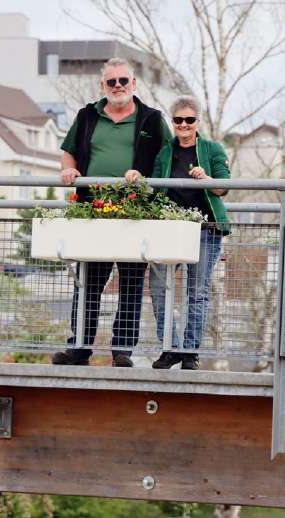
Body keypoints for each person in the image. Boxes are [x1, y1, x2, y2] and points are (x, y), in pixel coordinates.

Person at [52, 57, 172, 368]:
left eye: (123, 81)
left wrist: (148, 181)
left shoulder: (152, 118)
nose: (117, 86)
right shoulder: (87, 115)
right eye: (111, 82)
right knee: (88, 283)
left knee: (131, 285)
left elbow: (168, 158)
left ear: (134, 84)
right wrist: (69, 171)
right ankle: (78, 349)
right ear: (102, 86)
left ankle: (122, 352)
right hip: (93, 210)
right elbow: (68, 153)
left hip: (135, 211)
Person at [149, 95, 230, 370]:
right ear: (173, 123)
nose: (184, 125)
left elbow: (222, 188)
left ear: (197, 122)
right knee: (160, 290)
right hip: (168, 230)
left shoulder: (212, 149)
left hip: (205, 229)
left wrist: (204, 178)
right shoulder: (165, 152)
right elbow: (155, 187)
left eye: (189, 120)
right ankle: (169, 348)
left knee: (196, 293)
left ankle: (190, 353)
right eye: (178, 120)